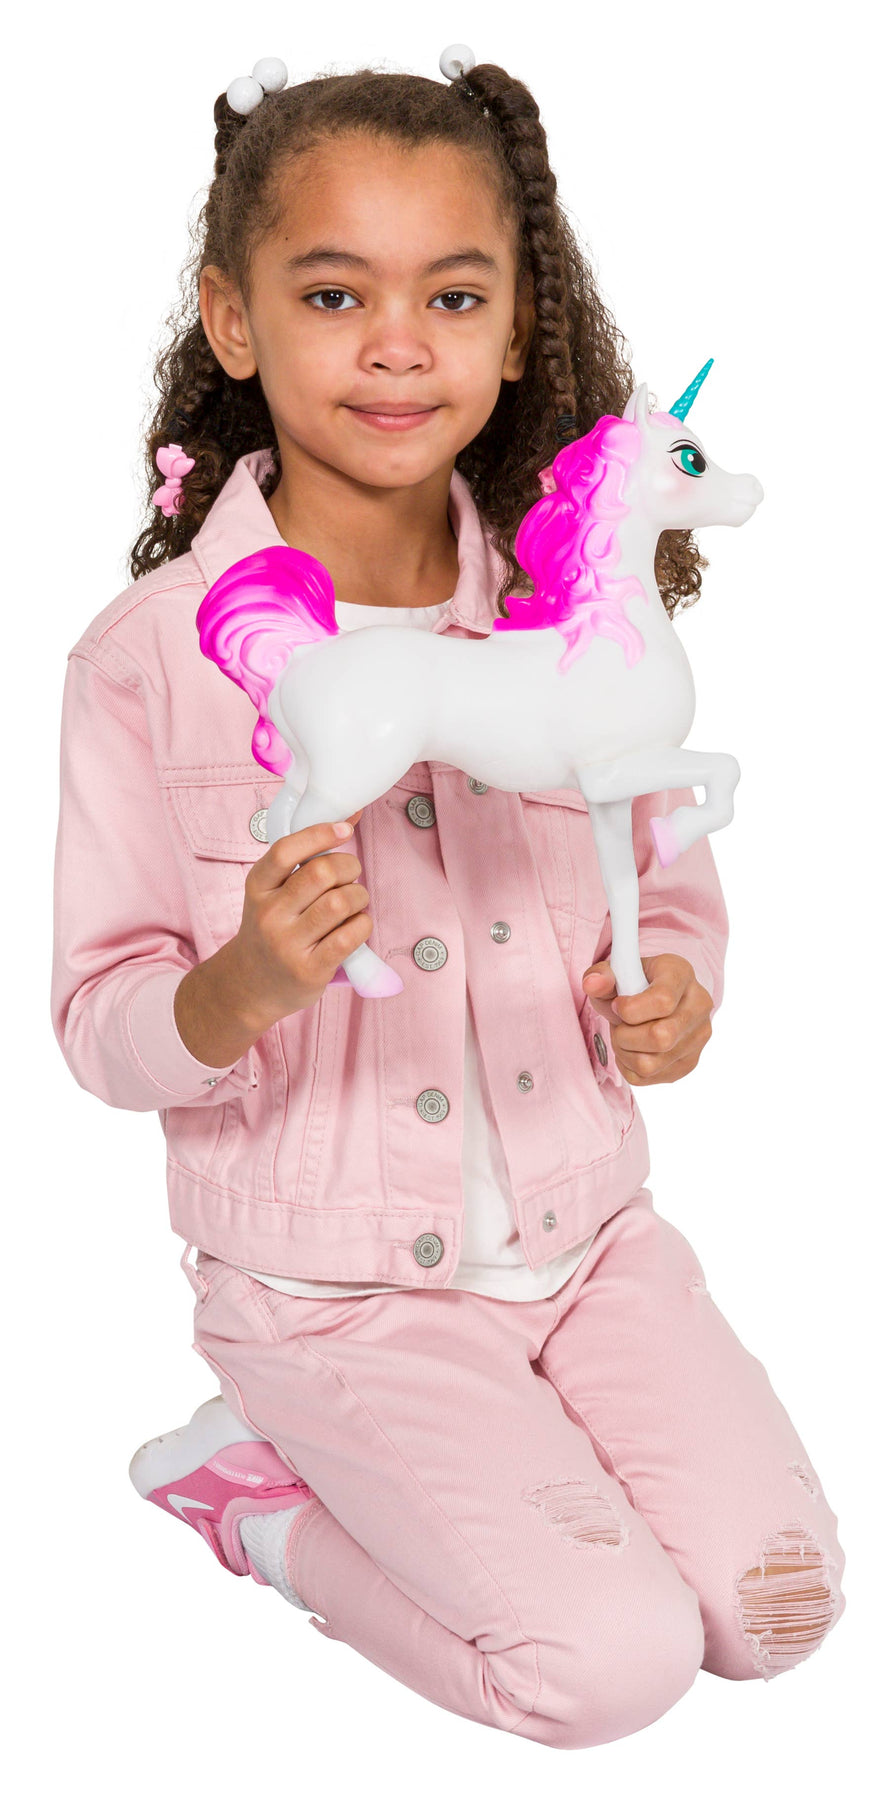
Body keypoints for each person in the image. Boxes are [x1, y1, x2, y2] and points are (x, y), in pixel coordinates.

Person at [50, 46, 846, 1750]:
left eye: (455, 296)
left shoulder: (565, 632)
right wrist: (244, 981)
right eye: (335, 293)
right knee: (612, 1666)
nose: (400, 344)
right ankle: (255, 1495)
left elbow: (669, 883)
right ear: (235, 319)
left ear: (516, 329)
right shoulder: (145, 667)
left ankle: (537, 1453)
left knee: (778, 1613)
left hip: (588, 1242)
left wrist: (682, 986)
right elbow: (101, 1023)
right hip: (339, 1291)